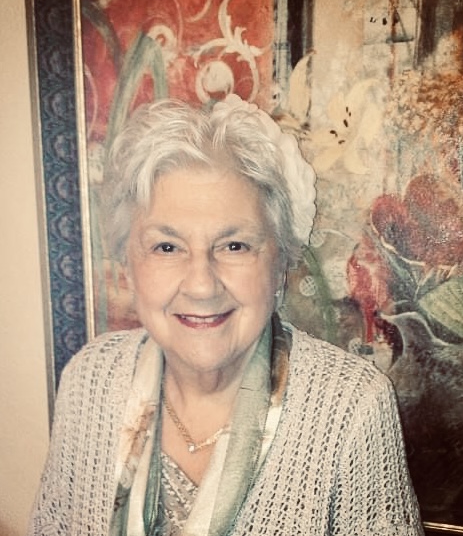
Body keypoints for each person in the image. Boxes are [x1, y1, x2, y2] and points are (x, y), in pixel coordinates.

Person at [29, 94, 424, 535]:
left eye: (235, 246)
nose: (201, 285)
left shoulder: (352, 407)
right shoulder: (89, 380)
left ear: (280, 262)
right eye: (166, 247)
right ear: (128, 264)